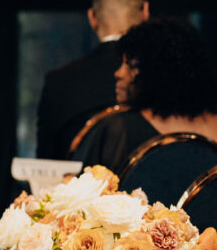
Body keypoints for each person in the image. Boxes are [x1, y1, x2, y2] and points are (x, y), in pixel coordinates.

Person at [75, 17, 217, 172]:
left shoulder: (119, 129)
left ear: (155, 72)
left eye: (130, 65)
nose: (118, 73)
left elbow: (89, 191)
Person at [36, 0, 149, 159]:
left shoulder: (59, 82)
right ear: (145, 12)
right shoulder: (165, 78)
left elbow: (47, 167)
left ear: (92, 17)